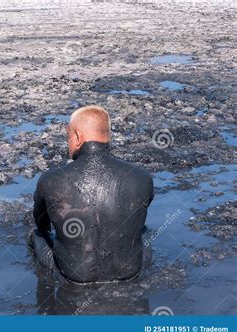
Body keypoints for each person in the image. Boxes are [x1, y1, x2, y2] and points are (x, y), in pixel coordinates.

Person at [28, 105, 154, 284]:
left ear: (78, 136)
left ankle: (44, 295)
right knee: (145, 232)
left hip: (73, 276)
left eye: (68, 137)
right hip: (130, 272)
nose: (68, 144)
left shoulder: (51, 179)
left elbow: (41, 223)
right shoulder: (141, 176)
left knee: (36, 235)